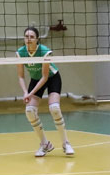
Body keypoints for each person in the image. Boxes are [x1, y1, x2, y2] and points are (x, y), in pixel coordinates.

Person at [17, 26, 74, 157]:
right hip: (35, 79)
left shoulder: (44, 51)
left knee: (54, 108)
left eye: (32, 37)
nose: (29, 39)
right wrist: (25, 92)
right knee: (29, 111)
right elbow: (20, 76)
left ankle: (66, 143)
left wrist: (30, 93)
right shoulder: (21, 53)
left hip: (51, 78)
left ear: (37, 39)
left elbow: (45, 77)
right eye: (26, 37)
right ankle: (45, 144)